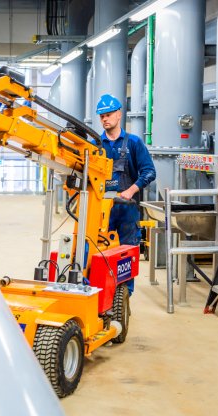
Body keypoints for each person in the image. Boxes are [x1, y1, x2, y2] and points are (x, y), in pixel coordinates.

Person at [96, 94, 156, 295]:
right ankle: (101, 292)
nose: (105, 119)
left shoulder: (134, 143)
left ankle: (125, 296)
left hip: (127, 210)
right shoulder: (96, 144)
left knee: (127, 253)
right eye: (102, 116)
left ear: (119, 114)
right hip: (102, 210)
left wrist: (131, 190)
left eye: (109, 114)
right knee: (98, 252)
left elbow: (149, 171)